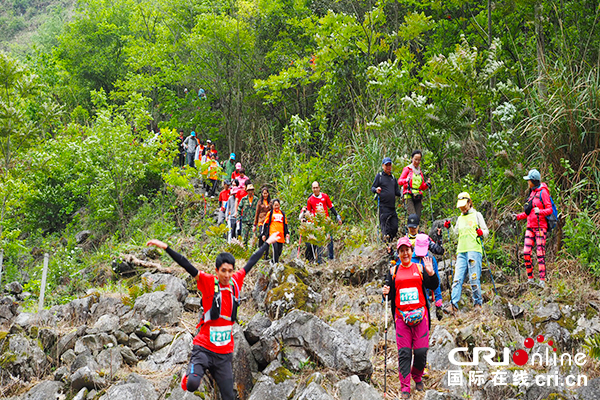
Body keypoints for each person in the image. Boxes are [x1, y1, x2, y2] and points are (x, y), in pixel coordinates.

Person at [145, 231, 281, 399]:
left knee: (228, 396)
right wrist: (166, 247)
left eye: (230, 271)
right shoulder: (208, 281)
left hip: (224, 353)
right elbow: (186, 264)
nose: (227, 275)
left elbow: (252, 260)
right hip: (203, 348)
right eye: (223, 271)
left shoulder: (235, 281)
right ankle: (187, 377)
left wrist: (267, 242)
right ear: (217, 270)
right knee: (192, 384)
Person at [383, 237, 438, 399]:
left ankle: (417, 376)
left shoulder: (420, 268)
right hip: (401, 318)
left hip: (421, 316)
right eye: (401, 250)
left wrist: (431, 273)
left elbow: (433, 285)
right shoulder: (393, 272)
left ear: (411, 251)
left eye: (407, 249)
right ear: (398, 254)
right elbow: (389, 294)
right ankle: (405, 387)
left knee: (421, 352)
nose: (405, 253)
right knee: (404, 353)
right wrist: (385, 293)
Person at [443, 192, 489, 314]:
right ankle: (453, 304)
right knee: (457, 279)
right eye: (461, 206)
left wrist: (481, 232)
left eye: (464, 205)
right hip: (461, 251)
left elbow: (486, 231)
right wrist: (449, 228)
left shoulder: (477, 215)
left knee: (474, 278)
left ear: (469, 202)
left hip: (474, 249)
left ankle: (478, 303)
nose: (462, 208)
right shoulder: (460, 218)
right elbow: (455, 235)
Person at [514, 169, 553, 288]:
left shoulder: (543, 192)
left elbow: (549, 209)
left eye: (529, 180)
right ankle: (530, 279)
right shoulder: (531, 193)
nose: (528, 182)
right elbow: (527, 212)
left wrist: (540, 212)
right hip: (530, 227)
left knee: (540, 253)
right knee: (526, 252)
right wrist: (517, 217)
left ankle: (542, 281)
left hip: (541, 227)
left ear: (534, 181)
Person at [407, 215, 444, 312]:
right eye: (410, 227)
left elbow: (439, 250)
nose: (413, 229)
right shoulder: (405, 241)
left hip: (426, 263)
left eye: (414, 227)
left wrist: (439, 238)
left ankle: (435, 301)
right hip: (413, 266)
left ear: (418, 227)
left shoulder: (425, 238)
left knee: (432, 274)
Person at [301, 181, 342, 261]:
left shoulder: (325, 196)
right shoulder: (310, 200)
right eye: (314, 188)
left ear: (319, 188)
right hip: (317, 223)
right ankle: (320, 260)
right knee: (319, 242)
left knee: (329, 239)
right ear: (312, 189)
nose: (315, 189)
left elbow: (331, 207)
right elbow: (309, 212)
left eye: (317, 187)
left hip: (326, 221)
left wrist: (337, 216)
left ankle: (331, 258)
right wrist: (306, 220)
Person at [371, 157, 402, 242]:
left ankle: (389, 242)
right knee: (385, 229)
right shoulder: (380, 176)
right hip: (383, 207)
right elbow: (372, 188)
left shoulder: (393, 178)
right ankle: (386, 245)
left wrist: (404, 193)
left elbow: (397, 192)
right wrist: (376, 189)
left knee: (395, 227)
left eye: (389, 165)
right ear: (382, 166)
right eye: (386, 165)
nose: (388, 167)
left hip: (392, 207)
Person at [398, 150, 430, 219]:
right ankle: (411, 229)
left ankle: (416, 230)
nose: (417, 162)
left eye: (419, 160)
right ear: (412, 158)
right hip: (408, 195)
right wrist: (406, 180)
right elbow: (400, 181)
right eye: (415, 159)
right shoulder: (407, 169)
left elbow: (422, 187)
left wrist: (427, 184)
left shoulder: (420, 172)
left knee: (417, 218)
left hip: (417, 196)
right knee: (413, 217)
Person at [261, 199, 289, 263]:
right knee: (275, 249)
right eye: (275, 205)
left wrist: (287, 233)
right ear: (273, 206)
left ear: (279, 205)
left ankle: (273, 261)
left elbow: (285, 224)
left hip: (281, 235)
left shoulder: (282, 213)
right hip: (273, 234)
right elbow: (265, 224)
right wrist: (263, 234)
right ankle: (275, 264)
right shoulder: (270, 213)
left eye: (277, 205)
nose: (276, 207)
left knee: (279, 251)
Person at [254, 186, 272, 258]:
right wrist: (255, 224)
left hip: (268, 221)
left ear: (268, 194)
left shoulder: (270, 202)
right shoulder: (260, 202)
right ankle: (260, 250)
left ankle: (266, 254)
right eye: (263, 193)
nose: (265, 195)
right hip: (261, 221)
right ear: (262, 194)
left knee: (267, 237)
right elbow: (257, 213)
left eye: (266, 193)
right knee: (262, 235)